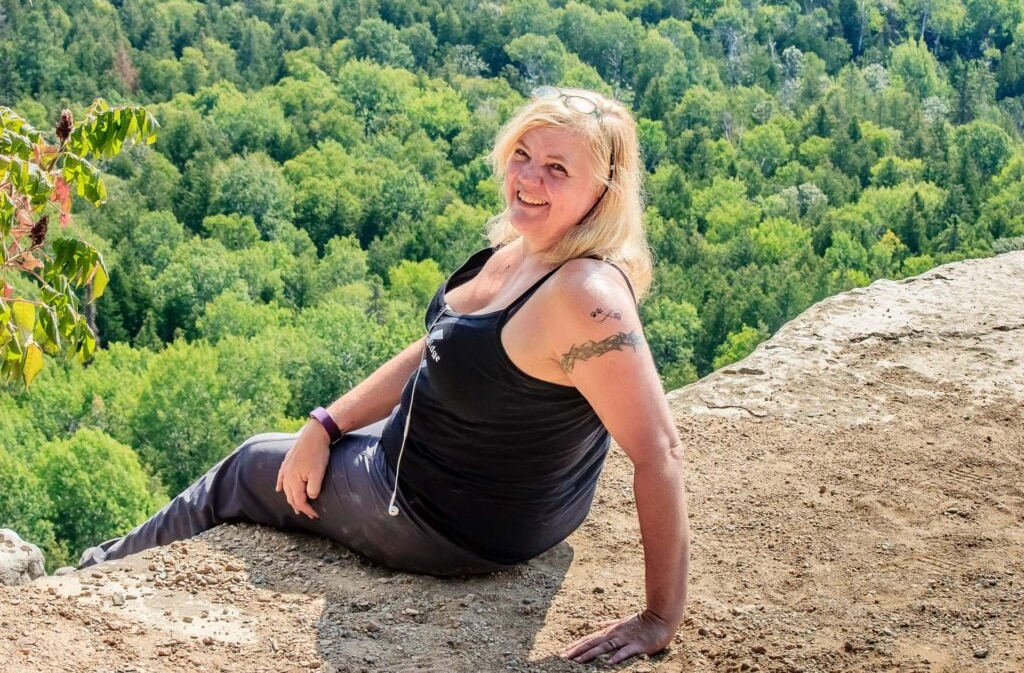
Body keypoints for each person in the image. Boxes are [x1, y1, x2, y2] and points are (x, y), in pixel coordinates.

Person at [79, 86, 689, 665]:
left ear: (603, 191)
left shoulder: (585, 294)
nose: (529, 178)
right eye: (523, 155)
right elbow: (438, 349)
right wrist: (327, 423)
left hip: (439, 519)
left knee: (245, 467)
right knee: (303, 445)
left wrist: (660, 617)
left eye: (558, 169)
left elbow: (658, 450)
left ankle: (92, 577)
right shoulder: (532, 250)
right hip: (492, 493)